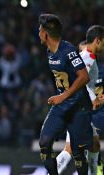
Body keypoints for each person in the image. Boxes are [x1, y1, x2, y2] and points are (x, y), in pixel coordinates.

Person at [38, 13, 93, 175]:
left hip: (78, 108)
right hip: (62, 107)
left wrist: (62, 96)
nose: (38, 33)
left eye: (40, 30)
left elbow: (84, 76)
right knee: (44, 142)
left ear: (46, 34)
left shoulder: (68, 50)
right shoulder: (49, 51)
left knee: (77, 153)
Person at [56, 25, 104, 175]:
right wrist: (93, 98)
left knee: (95, 145)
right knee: (70, 149)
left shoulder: (88, 58)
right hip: (77, 109)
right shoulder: (87, 58)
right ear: (97, 40)